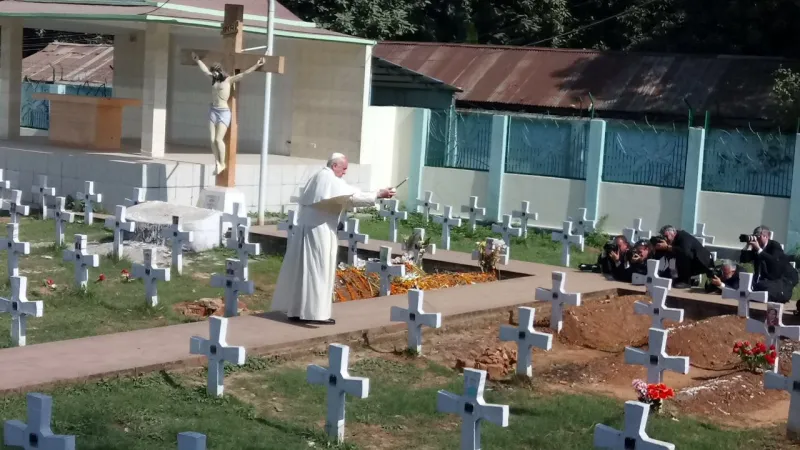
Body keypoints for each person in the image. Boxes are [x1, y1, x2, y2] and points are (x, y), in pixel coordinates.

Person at [270, 153, 396, 325]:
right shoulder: (326, 178)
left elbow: (349, 195)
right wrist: (378, 194)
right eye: (343, 168)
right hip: (319, 232)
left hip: (313, 230)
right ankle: (315, 314)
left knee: (305, 271)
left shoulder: (323, 177)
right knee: (319, 270)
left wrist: (376, 193)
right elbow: (352, 198)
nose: (345, 172)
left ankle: (298, 311)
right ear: (335, 165)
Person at [191, 52, 266, 175]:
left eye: (215, 72)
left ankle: (222, 163)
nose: (214, 74)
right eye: (213, 72)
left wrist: (256, 65)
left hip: (223, 112)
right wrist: (197, 60)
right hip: (213, 110)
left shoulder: (228, 80)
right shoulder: (213, 79)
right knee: (211, 139)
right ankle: (217, 162)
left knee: (218, 139)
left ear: (220, 71)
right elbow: (205, 71)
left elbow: (244, 74)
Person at [740, 225, 798, 304]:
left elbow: (774, 261)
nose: (756, 239)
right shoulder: (755, 247)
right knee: (745, 284)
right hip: (769, 279)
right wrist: (748, 246)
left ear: (766, 236)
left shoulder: (775, 245)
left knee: (768, 289)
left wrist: (759, 249)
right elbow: (743, 260)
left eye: (758, 236)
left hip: (785, 278)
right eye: (754, 236)